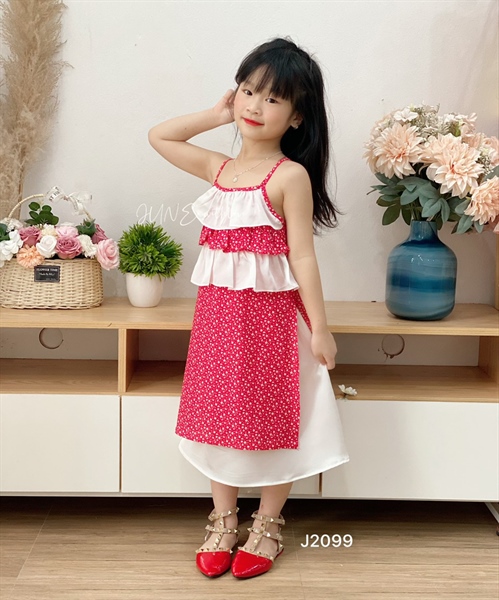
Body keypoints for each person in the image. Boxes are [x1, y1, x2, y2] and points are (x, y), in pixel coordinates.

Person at [148, 37, 349, 580]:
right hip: (218, 323)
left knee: (277, 417)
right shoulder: (218, 169)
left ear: (297, 116)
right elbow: (160, 135)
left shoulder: (289, 176)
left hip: (273, 324)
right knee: (220, 416)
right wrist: (216, 115)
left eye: (274, 98)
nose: (256, 106)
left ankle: (267, 523)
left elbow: (302, 256)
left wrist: (321, 329)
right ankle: (223, 520)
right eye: (249, 91)